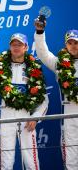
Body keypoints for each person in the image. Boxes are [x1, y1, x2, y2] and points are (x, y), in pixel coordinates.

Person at [0, 33, 49, 170]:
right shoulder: (1, 66)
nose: (16, 47)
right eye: (13, 44)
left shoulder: (33, 68)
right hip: (6, 116)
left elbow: (44, 99)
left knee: (31, 160)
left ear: (26, 47)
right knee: (6, 160)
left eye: (19, 44)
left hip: (27, 116)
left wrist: (35, 118)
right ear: (9, 47)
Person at [34, 20, 78, 169]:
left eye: (76, 42)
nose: (73, 45)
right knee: (71, 156)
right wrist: (40, 33)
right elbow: (43, 53)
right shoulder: (60, 64)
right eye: (70, 42)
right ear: (66, 45)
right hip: (69, 116)